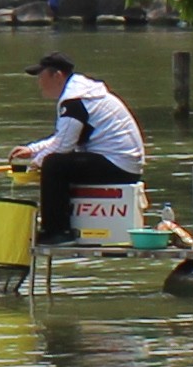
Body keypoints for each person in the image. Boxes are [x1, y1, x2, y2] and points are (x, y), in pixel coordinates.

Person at [24, 51, 144, 245]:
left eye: (41, 76)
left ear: (57, 76)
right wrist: (32, 150)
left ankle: (57, 232)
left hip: (119, 166)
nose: (39, 83)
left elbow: (63, 146)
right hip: (122, 164)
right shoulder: (81, 94)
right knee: (54, 162)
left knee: (53, 165)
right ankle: (58, 227)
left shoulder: (74, 100)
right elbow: (64, 137)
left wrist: (36, 163)